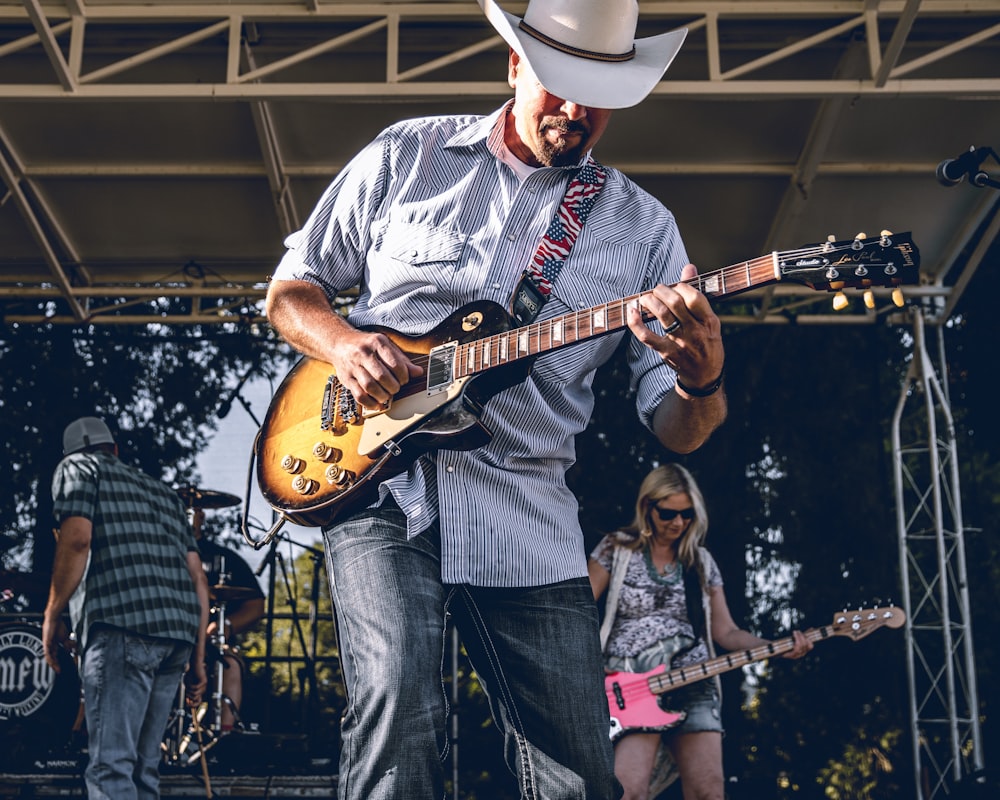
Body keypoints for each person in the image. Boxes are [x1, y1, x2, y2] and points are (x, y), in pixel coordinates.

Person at [264, 0, 726, 797]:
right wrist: (344, 344)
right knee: (397, 705)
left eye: (598, 95)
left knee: (579, 769)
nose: (577, 111)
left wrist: (703, 377)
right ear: (515, 65)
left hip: (529, 513)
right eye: (560, 84)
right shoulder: (407, 155)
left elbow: (680, 431)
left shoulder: (644, 229)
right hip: (381, 484)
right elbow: (288, 294)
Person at [588, 464, 813, 800]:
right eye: (668, 513)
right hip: (629, 684)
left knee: (708, 791)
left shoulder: (701, 562)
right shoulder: (616, 549)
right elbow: (577, 613)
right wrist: (588, 668)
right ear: (647, 507)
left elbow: (726, 632)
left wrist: (773, 647)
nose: (678, 523)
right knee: (628, 791)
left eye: (687, 514)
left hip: (694, 680)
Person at [41, 416, 209, 800]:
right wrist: (198, 657)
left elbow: (77, 540)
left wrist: (52, 615)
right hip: (176, 635)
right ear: (114, 449)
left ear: (70, 453)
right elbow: (198, 577)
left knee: (111, 767)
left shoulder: (76, 468)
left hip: (120, 626)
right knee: (143, 769)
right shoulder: (164, 494)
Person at [190, 507, 266, 732]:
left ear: (201, 517)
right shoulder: (161, 553)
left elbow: (256, 605)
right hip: (170, 639)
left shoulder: (224, 558)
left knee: (230, 663)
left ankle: (222, 736)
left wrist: (225, 625)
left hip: (210, 644)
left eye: (191, 510)